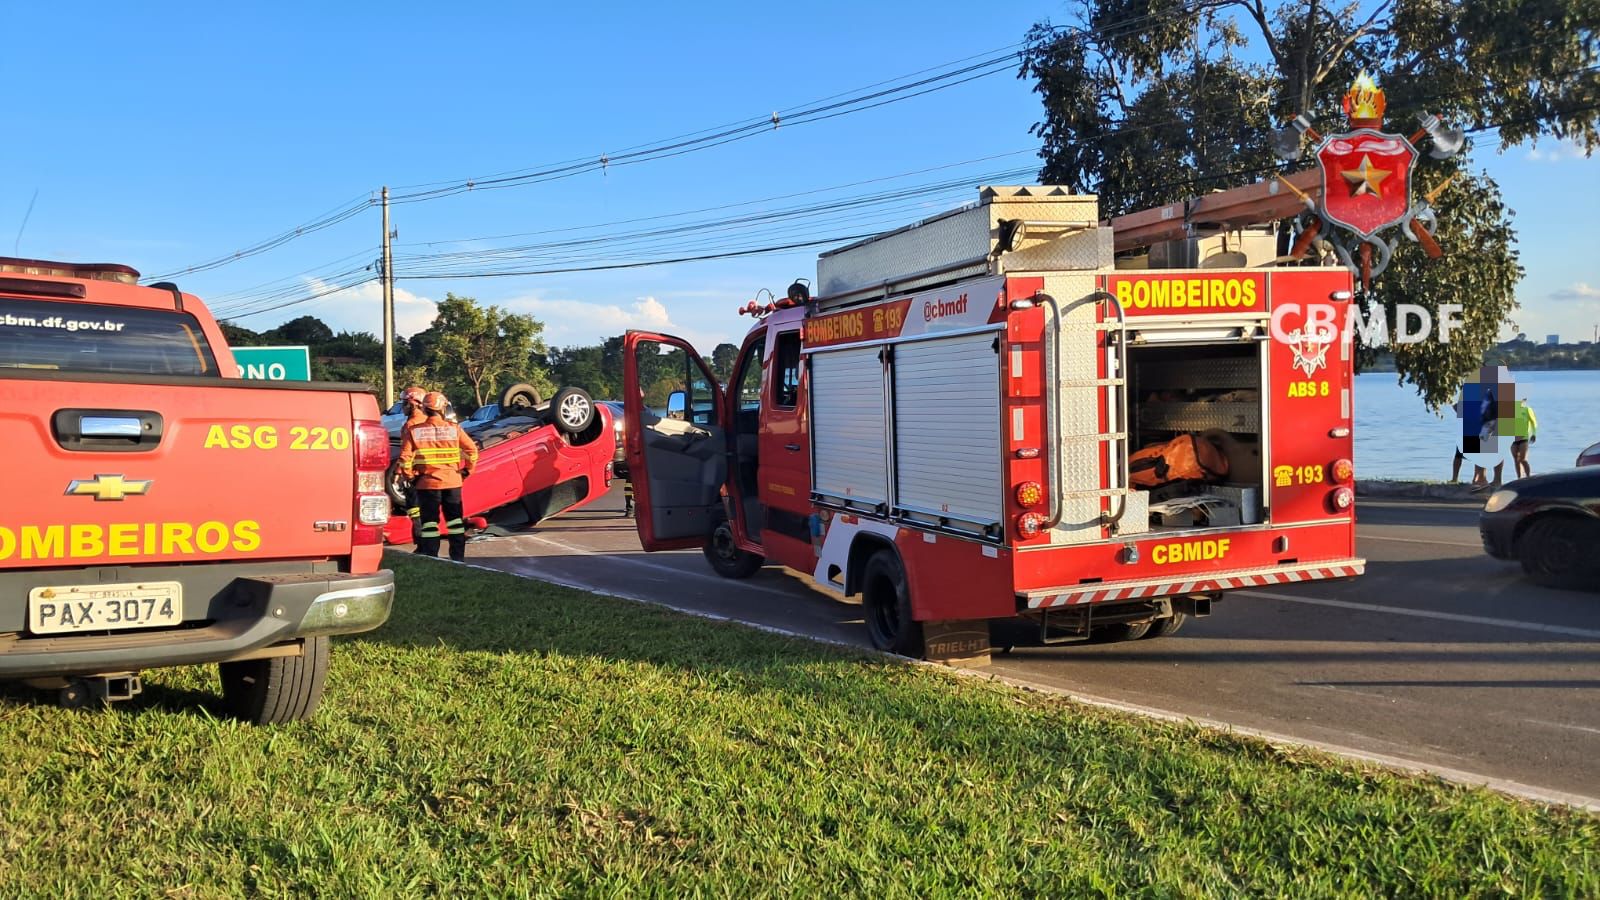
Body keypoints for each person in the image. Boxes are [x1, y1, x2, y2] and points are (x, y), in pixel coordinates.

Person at [399, 390, 479, 561]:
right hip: (452, 482)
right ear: (443, 409)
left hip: (426, 485)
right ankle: (457, 558)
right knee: (455, 523)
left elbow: (404, 459)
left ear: (425, 409)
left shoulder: (414, 431)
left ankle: (430, 556)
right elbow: (472, 451)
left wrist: (410, 477)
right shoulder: (454, 429)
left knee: (429, 524)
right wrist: (467, 471)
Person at [399, 386, 429, 542]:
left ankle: (420, 542)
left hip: (415, 475)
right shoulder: (426, 421)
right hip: (429, 474)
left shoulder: (411, 425)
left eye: (404, 403)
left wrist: (403, 474)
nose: (402, 407)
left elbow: (406, 454)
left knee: (415, 511)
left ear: (413, 403)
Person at [1511, 400, 1538, 479]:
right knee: (1516, 459)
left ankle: (1528, 477)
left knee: (1523, 459)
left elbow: (1534, 423)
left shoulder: (1527, 409)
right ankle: (1519, 478)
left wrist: (1534, 434)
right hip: (1513, 439)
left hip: (1524, 438)